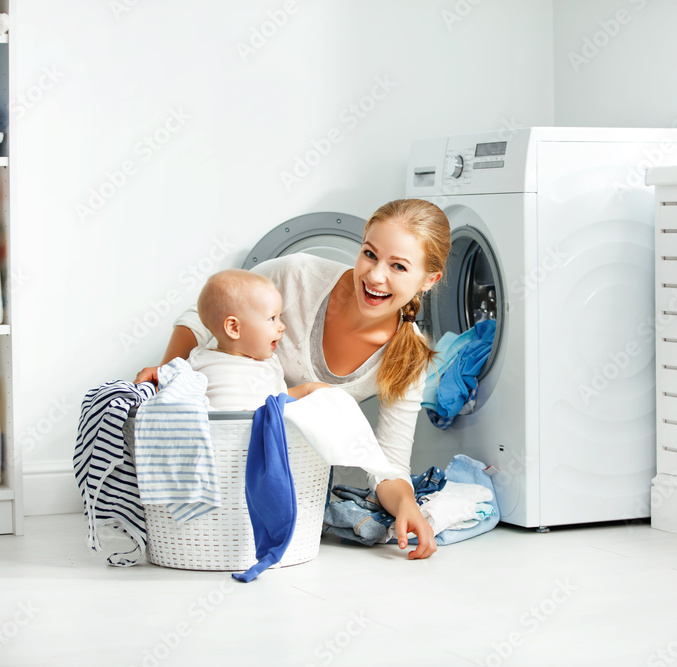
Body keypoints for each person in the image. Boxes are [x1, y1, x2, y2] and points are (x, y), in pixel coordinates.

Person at [137, 198, 450, 560]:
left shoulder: (409, 356)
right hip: (220, 443)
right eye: (369, 254)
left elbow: (389, 464)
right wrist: (168, 377)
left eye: (398, 266)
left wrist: (406, 503)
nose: (376, 275)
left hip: (285, 472)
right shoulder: (297, 276)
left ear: (430, 280)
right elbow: (205, 314)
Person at [190, 268, 327, 410]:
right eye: (272, 318)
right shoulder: (198, 362)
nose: (282, 326)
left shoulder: (270, 364)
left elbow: (278, 397)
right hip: (220, 428)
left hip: (262, 428)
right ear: (234, 328)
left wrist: (307, 390)